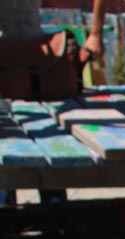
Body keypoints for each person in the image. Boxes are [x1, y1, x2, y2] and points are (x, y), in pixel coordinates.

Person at [0, 0, 107, 206]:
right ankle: (49, 209)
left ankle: (34, 211)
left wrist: (96, 34)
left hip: (30, 64)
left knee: (30, 141)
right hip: (36, 65)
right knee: (30, 141)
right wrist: (95, 34)